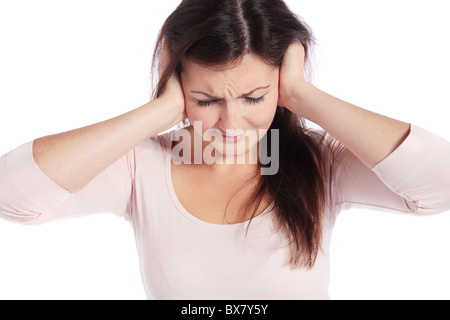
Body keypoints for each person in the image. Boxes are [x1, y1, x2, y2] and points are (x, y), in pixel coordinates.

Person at [1, 0, 449, 300]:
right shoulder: (141, 166)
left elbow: (440, 186)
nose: (231, 125)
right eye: (206, 100)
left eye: (254, 98)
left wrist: (301, 94)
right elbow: (12, 198)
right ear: (176, 83)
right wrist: (159, 112)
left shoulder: (322, 162)